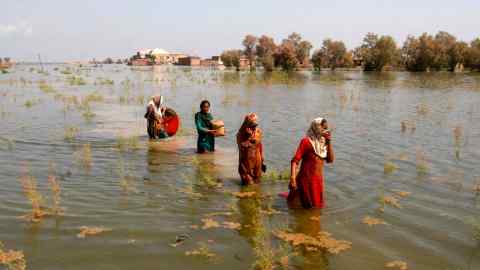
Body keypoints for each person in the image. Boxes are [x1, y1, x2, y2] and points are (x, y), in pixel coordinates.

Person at [288, 118, 334, 209]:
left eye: (326, 129)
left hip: (318, 181)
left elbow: (330, 160)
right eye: (323, 128)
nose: (326, 131)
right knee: (306, 209)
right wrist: (293, 178)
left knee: (317, 207)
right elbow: (295, 161)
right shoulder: (306, 141)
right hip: (306, 181)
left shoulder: (323, 143)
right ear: (316, 128)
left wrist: (329, 142)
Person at [236, 113, 265, 185]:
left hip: (257, 161)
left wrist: (262, 158)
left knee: (257, 184)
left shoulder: (257, 132)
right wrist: (248, 137)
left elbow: (260, 145)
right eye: (252, 125)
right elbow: (242, 148)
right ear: (246, 124)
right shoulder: (240, 134)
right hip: (246, 163)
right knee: (248, 184)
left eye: (255, 125)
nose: (254, 127)